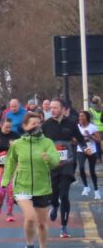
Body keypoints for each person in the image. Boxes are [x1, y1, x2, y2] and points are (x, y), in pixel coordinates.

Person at [2, 112, 59, 248]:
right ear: (25, 126)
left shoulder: (47, 142)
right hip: (22, 185)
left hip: (42, 187)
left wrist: (50, 158)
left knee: (42, 224)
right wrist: (5, 181)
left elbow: (55, 161)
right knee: (30, 218)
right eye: (33, 123)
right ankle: (29, 246)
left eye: (38, 123)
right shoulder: (17, 144)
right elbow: (10, 163)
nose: (37, 126)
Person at [42, 99, 88, 238]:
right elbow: (39, 141)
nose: (53, 110)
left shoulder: (71, 123)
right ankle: (55, 206)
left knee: (64, 195)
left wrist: (85, 148)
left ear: (63, 109)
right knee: (53, 195)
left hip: (67, 164)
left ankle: (64, 227)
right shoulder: (46, 125)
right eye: (51, 108)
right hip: (52, 164)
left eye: (55, 108)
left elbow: (80, 138)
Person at [77, 110, 101, 199]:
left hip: (91, 150)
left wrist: (90, 136)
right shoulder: (77, 127)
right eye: (79, 116)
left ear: (87, 117)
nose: (80, 118)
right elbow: (74, 139)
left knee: (92, 171)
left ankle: (96, 190)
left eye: (82, 116)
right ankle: (86, 187)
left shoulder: (92, 127)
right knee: (81, 168)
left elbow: (98, 140)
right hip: (81, 150)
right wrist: (80, 139)